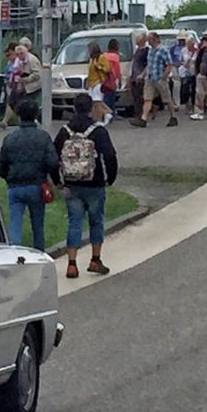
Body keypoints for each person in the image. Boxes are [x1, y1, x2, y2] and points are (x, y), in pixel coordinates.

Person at [54, 93, 118, 280]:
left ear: (74, 108)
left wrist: (57, 180)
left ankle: (72, 264)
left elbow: (53, 154)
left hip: (72, 184)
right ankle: (95, 259)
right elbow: (109, 155)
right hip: (94, 183)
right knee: (96, 221)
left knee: (74, 222)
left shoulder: (65, 131)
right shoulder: (98, 131)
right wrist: (110, 178)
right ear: (91, 109)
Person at [0, 98, 59, 251]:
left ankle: (14, 253)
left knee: (14, 223)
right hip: (37, 185)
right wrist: (51, 179)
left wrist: (9, 177)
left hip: (15, 186)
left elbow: (1, 166)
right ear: (36, 115)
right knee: (38, 225)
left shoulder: (10, 138)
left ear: (18, 116)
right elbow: (52, 162)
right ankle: (38, 254)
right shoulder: (43, 137)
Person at [129, 31, 178, 128]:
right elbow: (149, 64)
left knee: (167, 99)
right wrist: (143, 74)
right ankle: (143, 119)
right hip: (150, 78)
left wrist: (164, 75)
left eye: (149, 39)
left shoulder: (163, 50)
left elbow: (169, 63)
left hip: (159, 78)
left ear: (154, 39)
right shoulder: (150, 51)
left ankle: (173, 117)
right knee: (147, 98)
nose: (148, 41)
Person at [85, 41, 113, 123]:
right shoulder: (91, 59)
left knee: (97, 101)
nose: (88, 51)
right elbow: (90, 72)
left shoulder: (101, 57)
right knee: (94, 102)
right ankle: (99, 117)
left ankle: (104, 115)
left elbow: (107, 69)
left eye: (89, 49)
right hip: (91, 83)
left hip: (99, 82)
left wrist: (98, 66)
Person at [0, 42, 21, 128]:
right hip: (9, 83)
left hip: (15, 84)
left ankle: (5, 121)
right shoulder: (10, 61)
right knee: (12, 103)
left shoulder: (18, 60)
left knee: (13, 103)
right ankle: (8, 121)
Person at [129, 31, 149, 114]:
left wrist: (142, 74)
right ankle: (138, 113)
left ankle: (140, 114)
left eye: (138, 38)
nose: (136, 40)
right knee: (135, 96)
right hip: (134, 76)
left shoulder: (146, 50)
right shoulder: (137, 50)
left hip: (140, 77)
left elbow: (148, 64)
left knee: (139, 96)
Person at [102, 38, 123, 117]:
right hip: (112, 80)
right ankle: (111, 113)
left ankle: (108, 113)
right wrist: (119, 80)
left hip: (103, 80)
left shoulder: (104, 55)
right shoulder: (115, 57)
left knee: (105, 98)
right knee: (111, 98)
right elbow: (117, 71)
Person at [178, 35, 198, 112]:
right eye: (188, 44)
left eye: (191, 44)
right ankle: (186, 103)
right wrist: (184, 63)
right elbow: (180, 61)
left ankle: (193, 105)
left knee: (193, 89)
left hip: (193, 72)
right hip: (184, 72)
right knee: (185, 89)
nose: (189, 46)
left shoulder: (196, 51)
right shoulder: (183, 51)